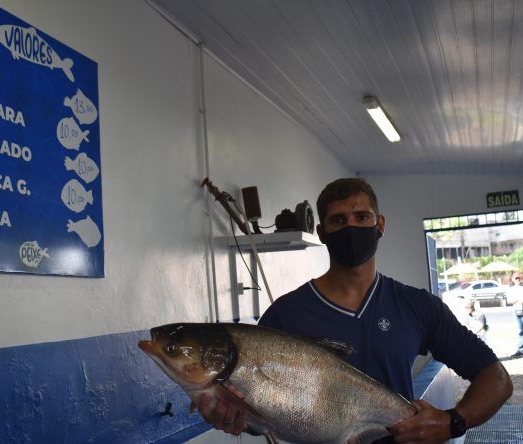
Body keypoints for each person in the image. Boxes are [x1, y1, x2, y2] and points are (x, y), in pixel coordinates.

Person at [197, 178, 512, 443]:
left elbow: (495, 377)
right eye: (338, 221)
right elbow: (259, 416)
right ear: (322, 232)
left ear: (380, 224)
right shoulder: (284, 315)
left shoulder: (416, 305)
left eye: (362, 217)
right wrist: (234, 418)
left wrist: (453, 421)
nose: (351, 227)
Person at [508, 272, 523, 358]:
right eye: (516, 278)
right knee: (520, 331)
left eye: (519, 278)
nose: (517, 280)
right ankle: (520, 349)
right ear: (513, 279)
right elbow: (509, 300)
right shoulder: (511, 289)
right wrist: (518, 300)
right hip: (516, 311)